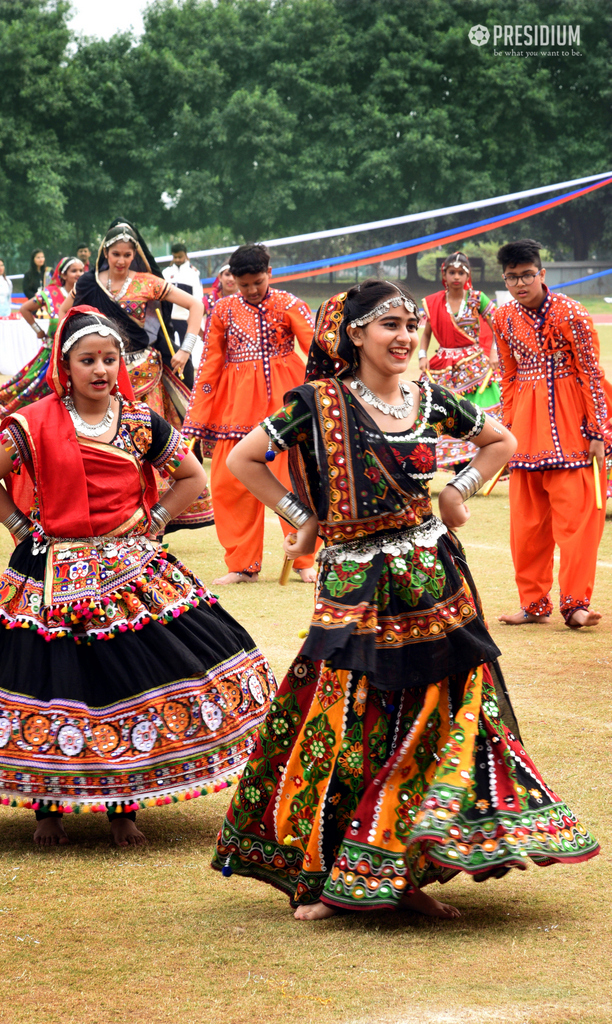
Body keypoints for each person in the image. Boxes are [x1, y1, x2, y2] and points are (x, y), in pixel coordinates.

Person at [211, 280, 600, 919]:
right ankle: (331, 869)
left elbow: (499, 441)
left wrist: (458, 493)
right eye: (389, 324)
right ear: (355, 334)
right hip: (353, 581)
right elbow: (246, 460)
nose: (404, 336)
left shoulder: (428, 399)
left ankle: (404, 867)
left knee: (436, 713)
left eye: (411, 324)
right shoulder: (318, 403)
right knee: (346, 717)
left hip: (432, 579)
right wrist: (298, 515)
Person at [0, 306, 276, 848]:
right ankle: (48, 810)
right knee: (48, 678)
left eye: (109, 359)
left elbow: (191, 475)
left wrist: (156, 519)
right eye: (87, 359)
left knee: (129, 679)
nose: (100, 369)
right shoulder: (34, 421)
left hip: (129, 563)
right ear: (65, 365)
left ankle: (123, 809)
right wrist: (22, 528)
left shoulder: (140, 422)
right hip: (52, 567)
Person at [62, 219, 213, 533]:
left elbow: (195, 305)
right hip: (98, 374)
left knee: (146, 443)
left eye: (127, 255)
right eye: (115, 253)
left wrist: (185, 349)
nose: (120, 260)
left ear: (135, 255)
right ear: (106, 252)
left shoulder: (147, 282)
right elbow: (64, 313)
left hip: (142, 374)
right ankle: (107, 511)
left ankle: (154, 519)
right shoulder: (89, 283)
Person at [492, 239, 611, 629]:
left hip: (572, 429)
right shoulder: (503, 318)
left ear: (541, 274)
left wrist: (597, 430)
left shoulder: (571, 313)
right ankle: (533, 604)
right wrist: (506, 428)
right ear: (505, 280)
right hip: (525, 433)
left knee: (578, 522)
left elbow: (592, 374)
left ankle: (575, 605)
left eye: (527, 275)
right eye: (512, 277)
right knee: (526, 526)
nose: (520, 283)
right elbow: (508, 375)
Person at [183, 243, 318, 584]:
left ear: (268, 273)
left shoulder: (291, 305)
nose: (252, 290)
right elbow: (210, 364)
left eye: (258, 281)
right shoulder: (223, 311)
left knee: (295, 481)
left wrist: (323, 397)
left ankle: (305, 560)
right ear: (232, 280)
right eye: (244, 284)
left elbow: (316, 351)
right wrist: (198, 417)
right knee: (230, 484)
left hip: (284, 408)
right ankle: (242, 565)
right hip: (236, 409)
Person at [419, 252, 500, 471]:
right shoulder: (434, 302)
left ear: (468, 275)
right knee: (441, 412)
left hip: (474, 365)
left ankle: (481, 461)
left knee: (477, 412)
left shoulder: (477, 298)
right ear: (444, 275)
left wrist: (494, 352)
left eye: (460, 273)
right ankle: (455, 463)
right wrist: (422, 355)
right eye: (451, 272)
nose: (456, 277)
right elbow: (426, 334)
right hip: (443, 364)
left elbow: (497, 327)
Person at [0, 257, 86, 415]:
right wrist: (38, 330)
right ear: (63, 275)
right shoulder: (50, 293)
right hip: (51, 353)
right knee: (30, 386)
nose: (78, 274)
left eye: (81, 271)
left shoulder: (84, 293)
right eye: (74, 271)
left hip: (77, 352)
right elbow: (24, 309)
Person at [162, 243, 205, 389]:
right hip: (169, 318)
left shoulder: (194, 273)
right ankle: (172, 382)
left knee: (186, 351)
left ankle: (188, 384)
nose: (178, 259)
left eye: (180, 256)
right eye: (175, 257)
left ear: (186, 255)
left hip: (185, 318)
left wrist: (195, 318)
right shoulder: (166, 273)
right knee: (171, 350)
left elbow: (198, 297)